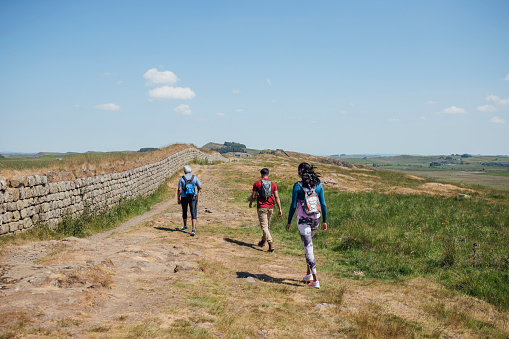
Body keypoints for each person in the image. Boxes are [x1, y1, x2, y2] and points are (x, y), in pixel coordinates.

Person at [286, 162, 327, 289]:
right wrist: (324, 220)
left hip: (303, 220)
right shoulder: (318, 185)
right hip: (316, 218)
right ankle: (308, 274)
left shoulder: (297, 186)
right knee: (307, 245)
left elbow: (293, 205)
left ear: (300, 172)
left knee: (308, 248)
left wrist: (289, 221)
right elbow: (323, 204)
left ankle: (315, 280)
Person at [249, 168, 283, 252]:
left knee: (264, 226)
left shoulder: (257, 183)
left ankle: (270, 244)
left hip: (261, 207)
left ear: (261, 174)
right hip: (271, 207)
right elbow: (276, 197)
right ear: (268, 174)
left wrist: (250, 203)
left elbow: (253, 196)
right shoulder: (273, 184)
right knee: (266, 226)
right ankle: (263, 241)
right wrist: (280, 208)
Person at [178, 165, 202, 236]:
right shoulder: (194, 178)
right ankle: (193, 229)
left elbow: (179, 189)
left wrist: (178, 198)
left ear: (184, 171)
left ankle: (185, 226)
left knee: (184, 211)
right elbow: (200, 186)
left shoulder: (181, 179)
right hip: (193, 197)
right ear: (191, 171)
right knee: (193, 212)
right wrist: (198, 189)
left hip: (184, 197)